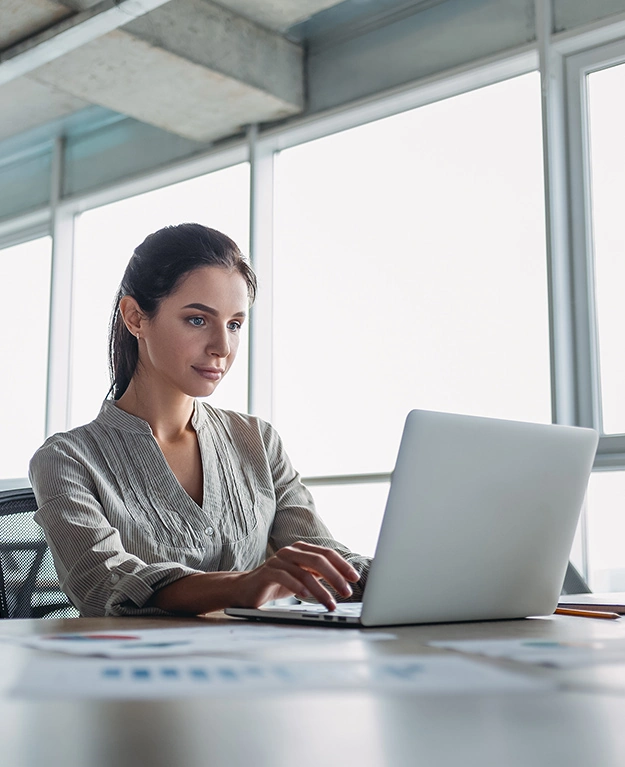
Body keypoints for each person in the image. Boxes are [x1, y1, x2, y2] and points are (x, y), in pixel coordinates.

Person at [29, 223, 369, 617]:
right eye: (197, 319)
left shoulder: (257, 441)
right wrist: (242, 585)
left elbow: (328, 568)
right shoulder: (67, 460)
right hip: (137, 673)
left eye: (235, 324)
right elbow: (105, 585)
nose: (222, 347)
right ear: (136, 317)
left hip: (261, 668)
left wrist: (435, 575)